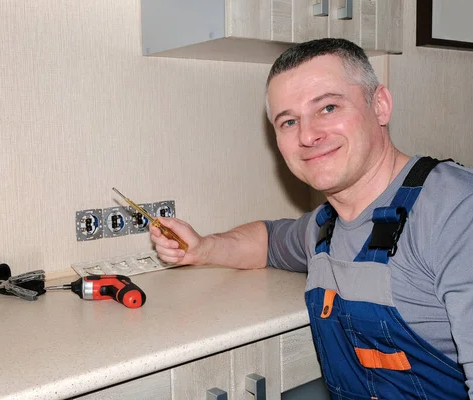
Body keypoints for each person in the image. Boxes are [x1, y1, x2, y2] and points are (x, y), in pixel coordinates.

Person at [150, 38, 473, 399]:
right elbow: (268, 240)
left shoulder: (455, 211)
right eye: (288, 121)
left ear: (380, 105)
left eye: (328, 107)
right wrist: (203, 248)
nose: (307, 135)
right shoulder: (325, 226)